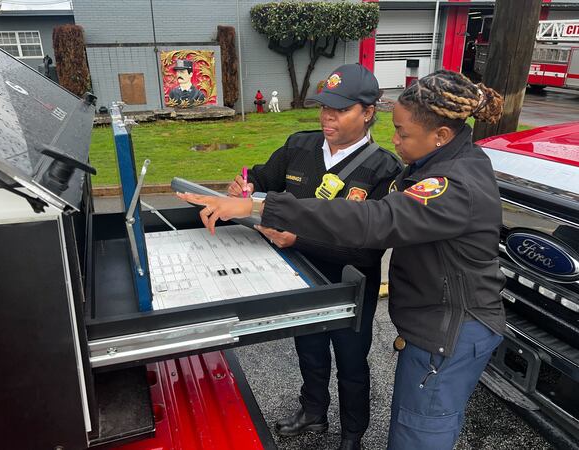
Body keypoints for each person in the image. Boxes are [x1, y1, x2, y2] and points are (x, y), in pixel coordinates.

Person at [178, 69, 506, 450]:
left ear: (441, 136)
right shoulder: (432, 163)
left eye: (403, 133)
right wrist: (253, 193)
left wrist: (261, 207)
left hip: (450, 328)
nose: (395, 140)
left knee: (420, 430)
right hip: (432, 322)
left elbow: (376, 220)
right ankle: (314, 410)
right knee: (409, 419)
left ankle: (353, 434)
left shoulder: (452, 183)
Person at [227, 63, 402, 450]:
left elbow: (371, 249)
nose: (327, 116)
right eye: (325, 106)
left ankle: (353, 432)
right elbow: (261, 177)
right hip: (299, 276)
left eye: (340, 109)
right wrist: (246, 183)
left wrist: (297, 238)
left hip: (350, 283)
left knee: (352, 360)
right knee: (308, 347)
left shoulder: (384, 168)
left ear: (368, 112)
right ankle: (313, 412)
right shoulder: (299, 146)